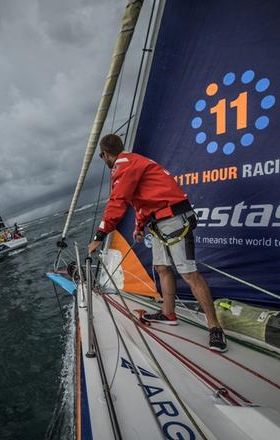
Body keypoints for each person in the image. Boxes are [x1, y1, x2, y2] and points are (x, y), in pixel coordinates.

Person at [87, 134, 227, 352]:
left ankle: (215, 327)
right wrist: (139, 227)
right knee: (162, 268)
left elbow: (118, 200)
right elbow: (143, 199)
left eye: (101, 156)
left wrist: (99, 235)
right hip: (159, 222)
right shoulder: (134, 163)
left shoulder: (124, 164)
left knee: (189, 273)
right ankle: (168, 313)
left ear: (105, 154)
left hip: (173, 220)